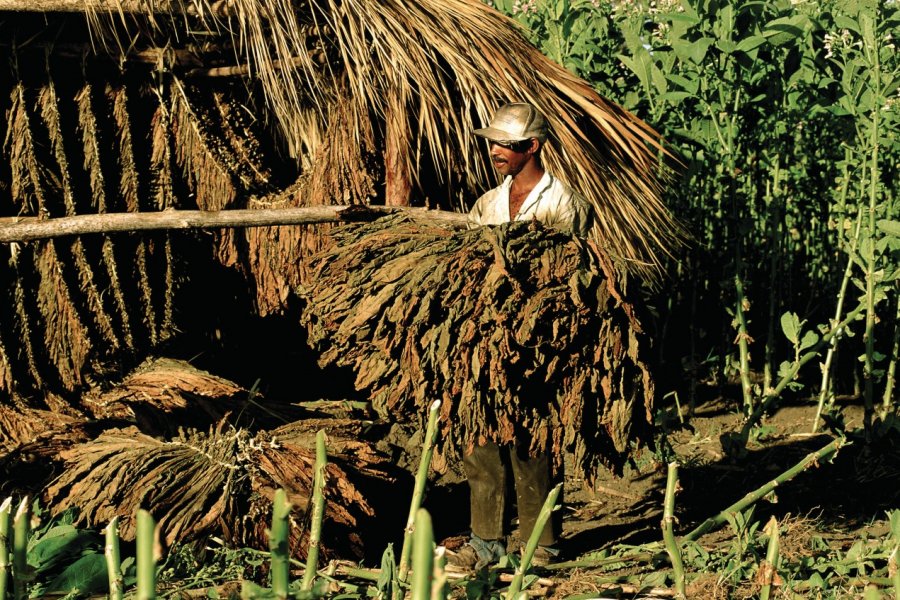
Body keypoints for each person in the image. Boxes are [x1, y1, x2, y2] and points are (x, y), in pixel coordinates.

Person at [448, 102, 594, 570]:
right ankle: (486, 542)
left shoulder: (562, 202)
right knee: (484, 440)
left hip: (541, 344)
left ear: (531, 147)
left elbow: (568, 277)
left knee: (532, 442)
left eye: (504, 145)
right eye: (491, 143)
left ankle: (542, 546)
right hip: (487, 340)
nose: (494, 151)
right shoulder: (488, 204)